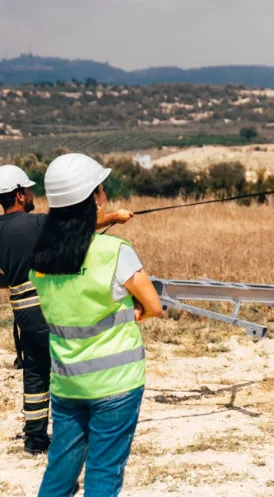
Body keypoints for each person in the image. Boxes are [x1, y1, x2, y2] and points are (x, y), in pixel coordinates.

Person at [28, 153, 162, 497]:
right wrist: (134, 314)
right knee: (103, 474)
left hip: (68, 383)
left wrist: (110, 218)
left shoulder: (41, 260)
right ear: (94, 199)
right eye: (101, 190)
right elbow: (154, 307)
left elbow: (71, 240)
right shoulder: (115, 251)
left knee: (59, 471)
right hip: (117, 383)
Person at [0, 164, 133, 455]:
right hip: (49, 307)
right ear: (20, 195)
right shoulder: (35, 224)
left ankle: (35, 438)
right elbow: (74, 227)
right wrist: (114, 217)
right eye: (30, 190)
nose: (33, 193)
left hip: (22, 313)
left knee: (35, 371)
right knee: (72, 366)